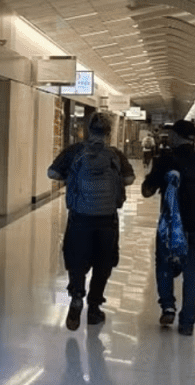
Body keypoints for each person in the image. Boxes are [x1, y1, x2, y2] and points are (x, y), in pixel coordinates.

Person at [48, 112, 135, 331]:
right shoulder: (114, 154)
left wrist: (71, 177)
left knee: (77, 259)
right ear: (109, 132)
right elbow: (129, 179)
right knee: (103, 263)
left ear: (88, 130)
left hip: (80, 217)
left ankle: (76, 296)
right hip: (107, 220)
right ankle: (94, 309)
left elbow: (52, 173)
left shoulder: (75, 151)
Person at [142, 120, 195, 336]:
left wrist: (153, 178)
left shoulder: (166, 160)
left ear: (176, 137)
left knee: (164, 265)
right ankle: (187, 323)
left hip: (172, 226)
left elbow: (147, 191)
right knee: (193, 273)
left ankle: (168, 306)